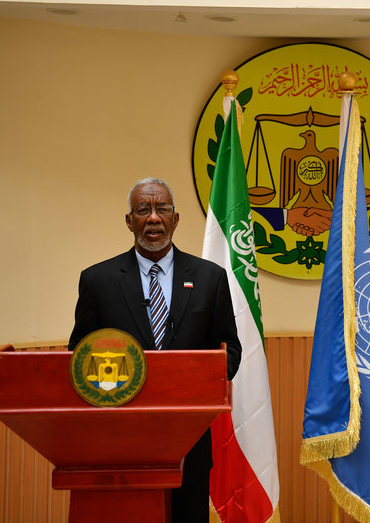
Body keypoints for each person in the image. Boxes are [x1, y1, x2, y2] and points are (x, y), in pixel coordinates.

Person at [68, 177, 242, 522]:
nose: (153, 218)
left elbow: (230, 350)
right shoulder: (97, 280)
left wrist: (194, 379)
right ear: (129, 221)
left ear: (175, 219)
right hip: (120, 444)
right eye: (142, 210)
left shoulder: (210, 278)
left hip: (189, 442)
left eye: (161, 209)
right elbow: (79, 354)